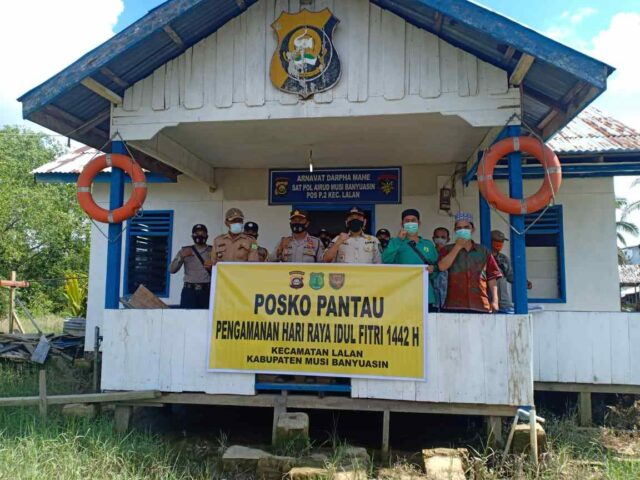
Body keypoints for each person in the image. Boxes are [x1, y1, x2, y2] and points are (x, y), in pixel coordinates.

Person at [437, 212, 502, 313]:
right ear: (455, 230)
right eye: (459, 228)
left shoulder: (483, 251)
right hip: (453, 305)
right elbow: (441, 267)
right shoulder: (447, 249)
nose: (463, 230)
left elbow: (492, 277)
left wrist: (495, 300)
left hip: (480, 304)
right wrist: (458, 246)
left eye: (466, 227)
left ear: (473, 229)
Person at [382, 209, 438, 308]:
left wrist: (433, 270)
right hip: (403, 294)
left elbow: (437, 267)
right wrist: (398, 240)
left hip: (425, 294)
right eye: (407, 221)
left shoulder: (428, 244)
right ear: (402, 224)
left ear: (419, 223)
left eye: (413, 220)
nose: (410, 223)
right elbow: (386, 260)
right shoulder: (395, 242)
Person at [169, 224, 213, 309]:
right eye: (197, 233)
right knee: (187, 316)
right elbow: (172, 270)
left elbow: (221, 270)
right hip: (189, 292)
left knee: (206, 316)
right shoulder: (184, 250)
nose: (200, 235)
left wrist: (212, 266)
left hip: (207, 291)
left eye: (202, 233)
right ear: (192, 236)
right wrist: (181, 256)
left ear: (207, 235)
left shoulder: (212, 251)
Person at [491, 229, 533, 312]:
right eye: (497, 241)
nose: (500, 244)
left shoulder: (503, 259)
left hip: (503, 303)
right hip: (487, 301)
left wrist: (523, 282)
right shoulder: (482, 256)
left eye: (501, 241)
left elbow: (510, 275)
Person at [432, 227, 451, 310]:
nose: (439, 239)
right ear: (433, 239)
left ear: (448, 239)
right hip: (432, 296)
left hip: (448, 296)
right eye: (437, 237)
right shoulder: (429, 253)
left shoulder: (451, 254)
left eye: (443, 237)